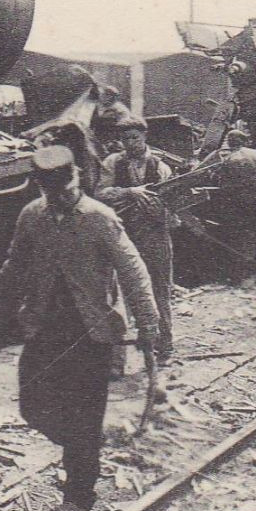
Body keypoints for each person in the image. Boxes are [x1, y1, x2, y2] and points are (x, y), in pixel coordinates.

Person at [0, 146, 160, 511]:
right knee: (33, 406)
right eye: (54, 193)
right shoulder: (31, 217)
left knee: (83, 415)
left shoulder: (101, 219)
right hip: (43, 326)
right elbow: (13, 269)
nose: (62, 198)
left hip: (91, 331)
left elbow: (132, 270)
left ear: (78, 179)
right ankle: (83, 447)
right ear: (41, 188)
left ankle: (79, 495)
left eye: (67, 190)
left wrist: (149, 324)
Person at [97, 116, 176, 362]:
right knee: (121, 290)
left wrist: (162, 209)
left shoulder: (161, 166)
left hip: (155, 234)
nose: (130, 143)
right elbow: (100, 193)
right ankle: (120, 354)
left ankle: (164, 343)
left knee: (159, 289)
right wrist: (128, 192)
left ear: (144, 137)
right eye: (125, 138)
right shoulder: (112, 162)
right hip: (124, 235)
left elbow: (171, 200)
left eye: (135, 138)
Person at [213, 127, 256, 286]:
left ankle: (238, 277)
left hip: (238, 202)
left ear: (230, 142)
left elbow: (222, 185)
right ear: (244, 141)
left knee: (238, 238)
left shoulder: (228, 159)